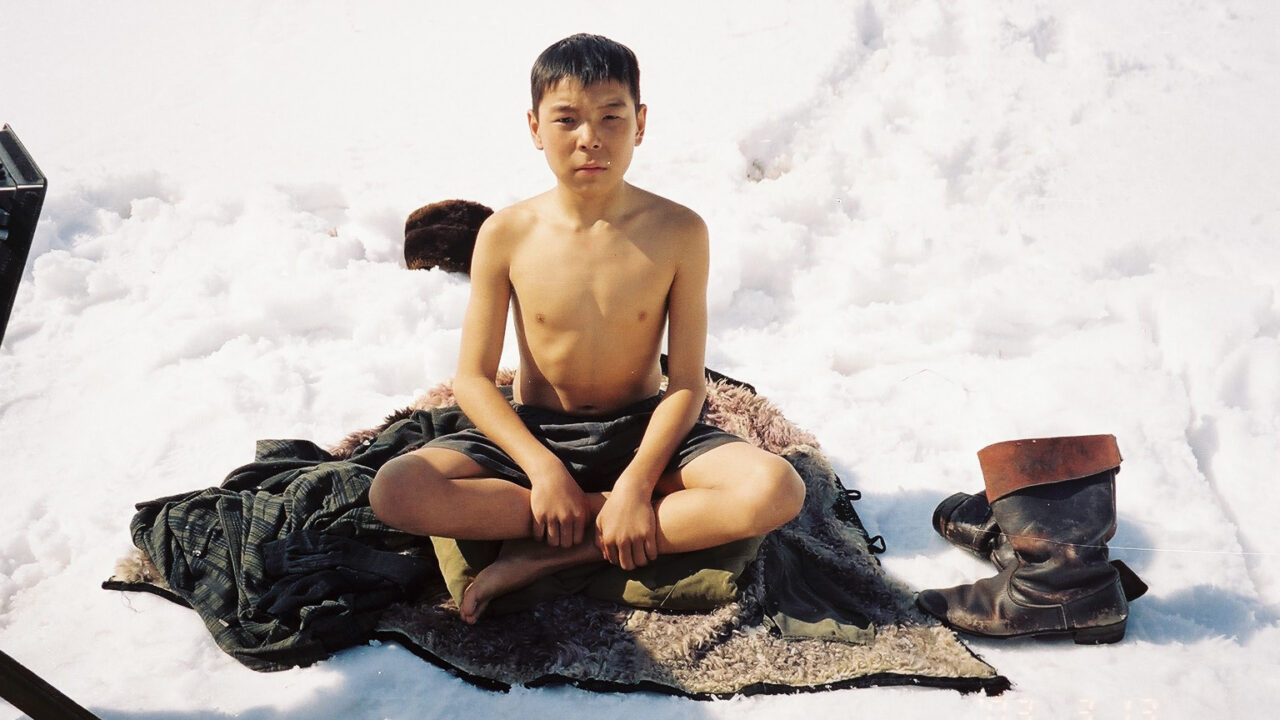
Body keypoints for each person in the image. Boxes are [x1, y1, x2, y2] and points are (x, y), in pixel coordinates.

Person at [369, 33, 805, 623]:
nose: (589, 138)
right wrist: (542, 470)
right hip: (537, 433)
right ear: (535, 127)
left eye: (610, 117)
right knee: (395, 490)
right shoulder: (506, 233)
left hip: (642, 432)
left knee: (778, 489)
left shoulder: (679, 231)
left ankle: (559, 549)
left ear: (640, 123)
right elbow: (471, 380)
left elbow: (685, 381)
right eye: (567, 119)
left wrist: (637, 484)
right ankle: (600, 518)